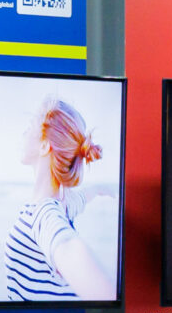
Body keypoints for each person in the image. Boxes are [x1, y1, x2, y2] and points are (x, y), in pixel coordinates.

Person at [6, 99, 119, 302]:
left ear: (44, 146)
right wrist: (103, 189)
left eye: (30, 126)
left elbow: (66, 245)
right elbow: (86, 195)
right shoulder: (66, 202)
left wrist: (108, 295)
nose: (24, 132)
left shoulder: (44, 214)